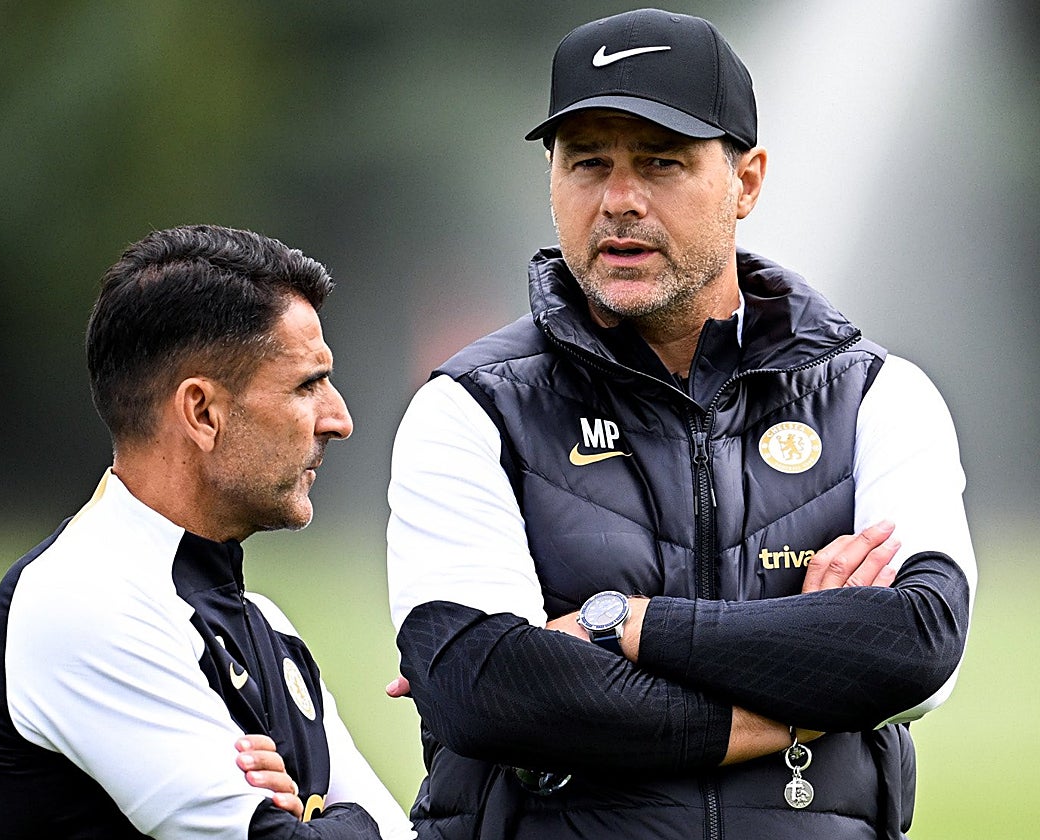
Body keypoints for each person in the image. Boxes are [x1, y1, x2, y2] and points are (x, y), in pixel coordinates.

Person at [385, 9, 975, 840]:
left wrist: (616, 625)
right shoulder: (469, 407)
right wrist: (802, 698)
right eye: (588, 162)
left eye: (661, 163)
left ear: (749, 180)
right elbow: (487, 691)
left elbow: (915, 641)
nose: (620, 200)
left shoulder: (880, 394)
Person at [0, 225, 414, 839]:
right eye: (308, 384)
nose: (339, 419)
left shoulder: (266, 624)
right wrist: (342, 818)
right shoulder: (82, 600)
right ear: (202, 412)